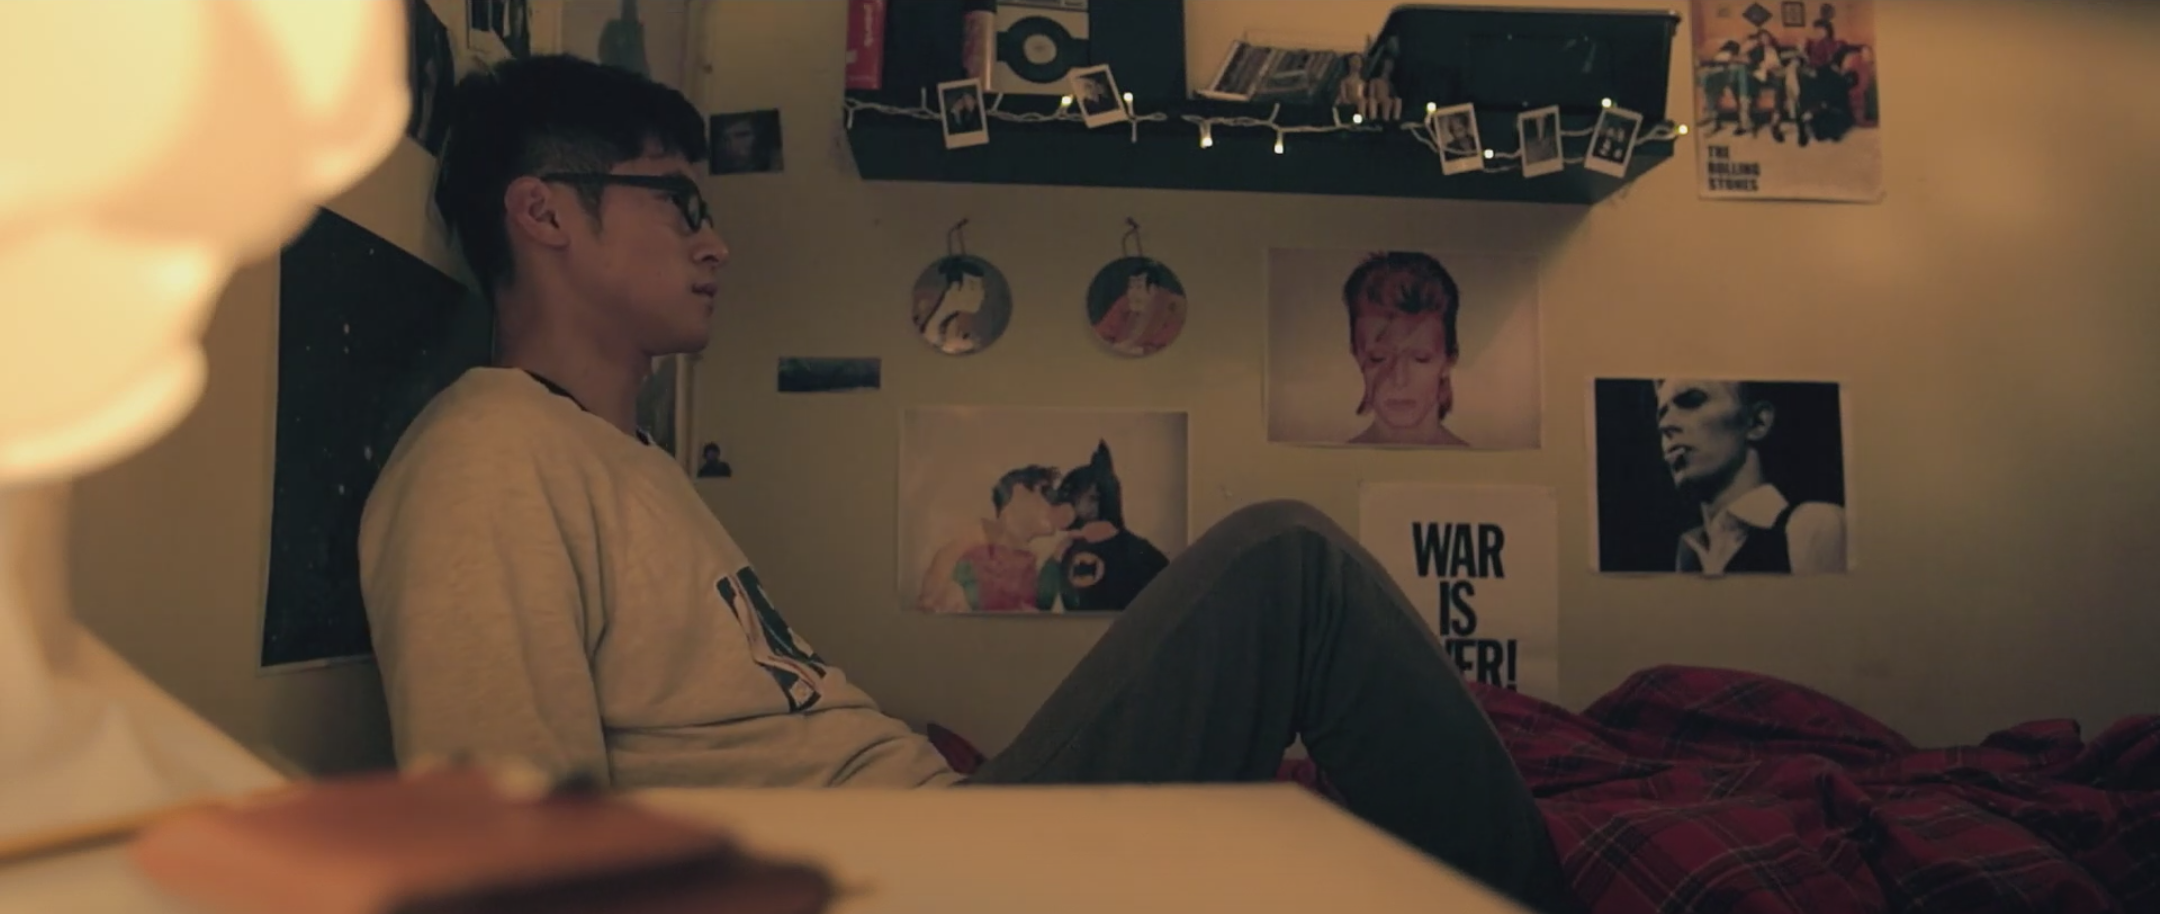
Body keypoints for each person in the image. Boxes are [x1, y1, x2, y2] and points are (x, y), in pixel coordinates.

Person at [360, 54, 1578, 914]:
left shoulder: (630, 463)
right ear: (543, 213)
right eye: (677, 201)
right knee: (1287, 566)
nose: (715, 239)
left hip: (948, 833)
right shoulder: (488, 455)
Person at [1653, 379, 1847, 575]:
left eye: (1692, 401)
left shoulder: (1814, 525)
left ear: (1757, 422)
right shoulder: (1688, 552)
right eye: (1662, 413)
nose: (1665, 424)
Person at [1341, 252, 1470, 447]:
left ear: (1449, 359)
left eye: (1420, 358)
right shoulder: (1328, 462)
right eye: (1378, 357)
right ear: (1356, 355)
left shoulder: (1480, 463)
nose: (1399, 380)